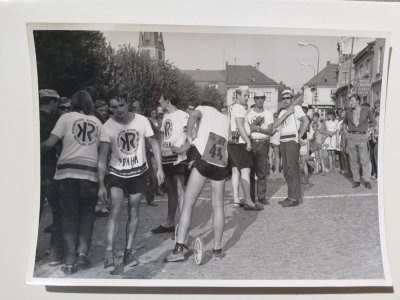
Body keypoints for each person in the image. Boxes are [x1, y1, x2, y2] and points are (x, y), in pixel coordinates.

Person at [98, 96, 164, 272]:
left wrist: (160, 168)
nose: (118, 110)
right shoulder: (107, 127)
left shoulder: (141, 120)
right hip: (117, 172)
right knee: (116, 209)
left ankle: (128, 252)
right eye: (114, 107)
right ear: (110, 108)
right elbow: (102, 156)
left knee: (134, 210)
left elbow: (154, 142)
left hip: (138, 171)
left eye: (121, 105)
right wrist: (100, 184)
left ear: (127, 104)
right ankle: (109, 252)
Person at [41, 90, 102, 275]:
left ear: (73, 103)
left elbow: (50, 144)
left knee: (68, 216)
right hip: (90, 174)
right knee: (87, 215)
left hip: (67, 172)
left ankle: (68, 262)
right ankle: (82, 255)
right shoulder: (98, 122)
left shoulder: (66, 118)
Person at [166, 101, 230, 262]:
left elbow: (194, 116)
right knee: (218, 206)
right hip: (221, 158)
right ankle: (217, 249)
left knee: (188, 202)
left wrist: (189, 132)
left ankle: (179, 248)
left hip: (204, 157)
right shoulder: (225, 118)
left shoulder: (203, 109)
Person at [152, 91, 189, 234]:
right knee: (171, 190)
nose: (159, 101)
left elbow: (191, 135)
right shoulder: (166, 116)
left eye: (161, 98)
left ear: (168, 100)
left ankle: (182, 226)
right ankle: (169, 222)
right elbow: (163, 136)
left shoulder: (183, 115)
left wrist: (182, 148)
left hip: (178, 159)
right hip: (166, 157)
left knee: (180, 191)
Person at [228, 86, 262, 210]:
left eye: (248, 95)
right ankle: (248, 201)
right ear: (238, 95)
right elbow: (240, 125)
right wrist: (248, 141)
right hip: (240, 143)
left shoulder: (231, 107)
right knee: (245, 171)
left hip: (232, 142)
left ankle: (237, 200)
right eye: (245, 95)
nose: (247, 98)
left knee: (235, 171)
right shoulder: (239, 108)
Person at [273, 90, 309, 207]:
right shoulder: (282, 111)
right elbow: (275, 125)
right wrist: (286, 114)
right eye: (283, 98)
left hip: (292, 141)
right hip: (282, 141)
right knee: (286, 171)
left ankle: (295, 198)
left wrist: (299, 135)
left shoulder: (297, 108)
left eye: (288, 98)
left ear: (292, 99)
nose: (285, 100)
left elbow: (306, 121)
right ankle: (290, 195)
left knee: (293, 170)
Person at [342, 94, 376, 189]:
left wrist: (369, 132)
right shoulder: (348, 112)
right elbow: (344, 123)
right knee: (353, 161)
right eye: (350, 101)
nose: (350, 102)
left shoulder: (366, 110)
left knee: (364, 160)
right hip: (351, 137)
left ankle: (367, 180)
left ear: (357, 101)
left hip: (362, 137)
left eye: (352, 101)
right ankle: (356, 180)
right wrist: (345, 132)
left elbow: (373, 121)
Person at [246, 91, 274, 204]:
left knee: (262, 172)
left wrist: (257, 129)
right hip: (252, 143)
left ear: (264, 99)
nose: (259, 100)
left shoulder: (268, 113)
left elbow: (270, 131)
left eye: (262, 98)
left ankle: (262, 197)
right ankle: (251, 198)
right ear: (254, 99)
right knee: (251, 172)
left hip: (263, 143)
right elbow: (247, 130)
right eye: (257, 98)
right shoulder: (249, 114)